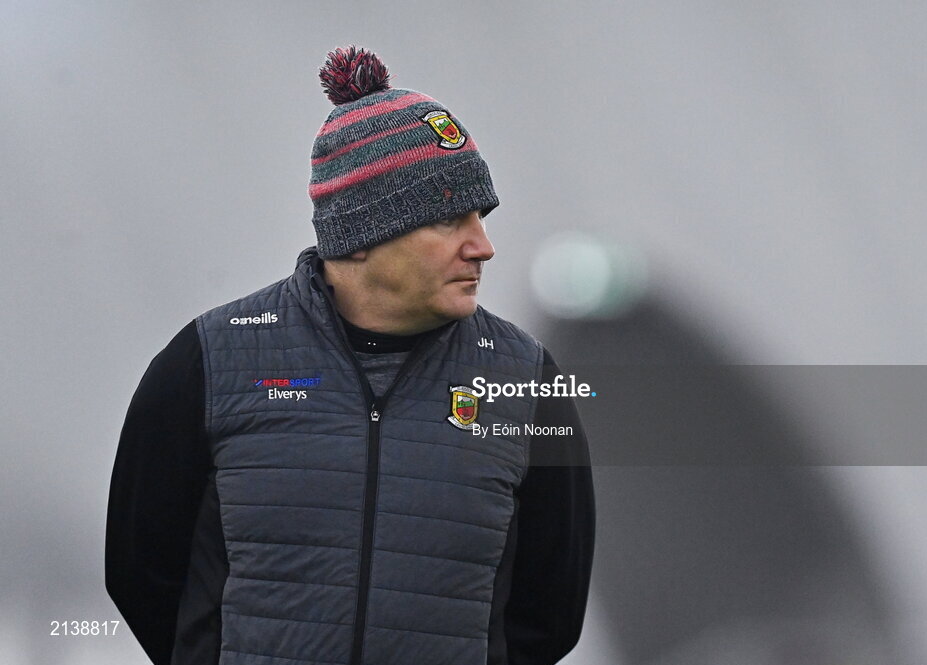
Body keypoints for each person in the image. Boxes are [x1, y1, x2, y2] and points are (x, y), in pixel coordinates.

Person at [105, 45, 596, 665]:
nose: (483, 246)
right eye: (450, 220)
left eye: (482, 215)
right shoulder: (207, 361)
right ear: (362, 236)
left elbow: (550, 611)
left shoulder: (524, 379)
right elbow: (142, 574)